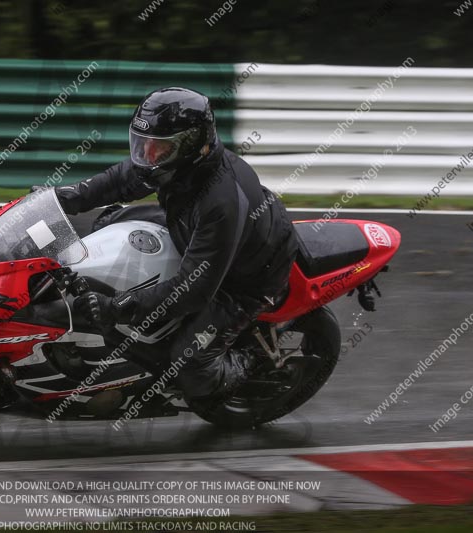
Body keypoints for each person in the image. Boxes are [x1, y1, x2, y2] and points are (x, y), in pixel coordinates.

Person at [52, 87, 298, 403]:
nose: (148, 156)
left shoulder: (220, 202)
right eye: (143, 145)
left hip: (246, 279)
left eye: (159, 148)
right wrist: (63, 198)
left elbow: (193, 290)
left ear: (193, 144)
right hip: (191, 228)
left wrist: (116, 307)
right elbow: (120, 180)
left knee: (188, 364)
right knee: (108, 224)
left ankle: (248, 365)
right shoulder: (177, 165)